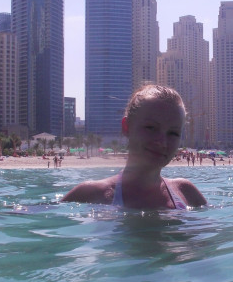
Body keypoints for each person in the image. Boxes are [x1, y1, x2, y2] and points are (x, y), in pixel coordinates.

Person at [63, 85, 206, 209]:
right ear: (127, 127)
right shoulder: (89, 194)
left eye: (173, 133)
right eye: (151, 128)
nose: (162, 142)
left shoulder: (186, 192)